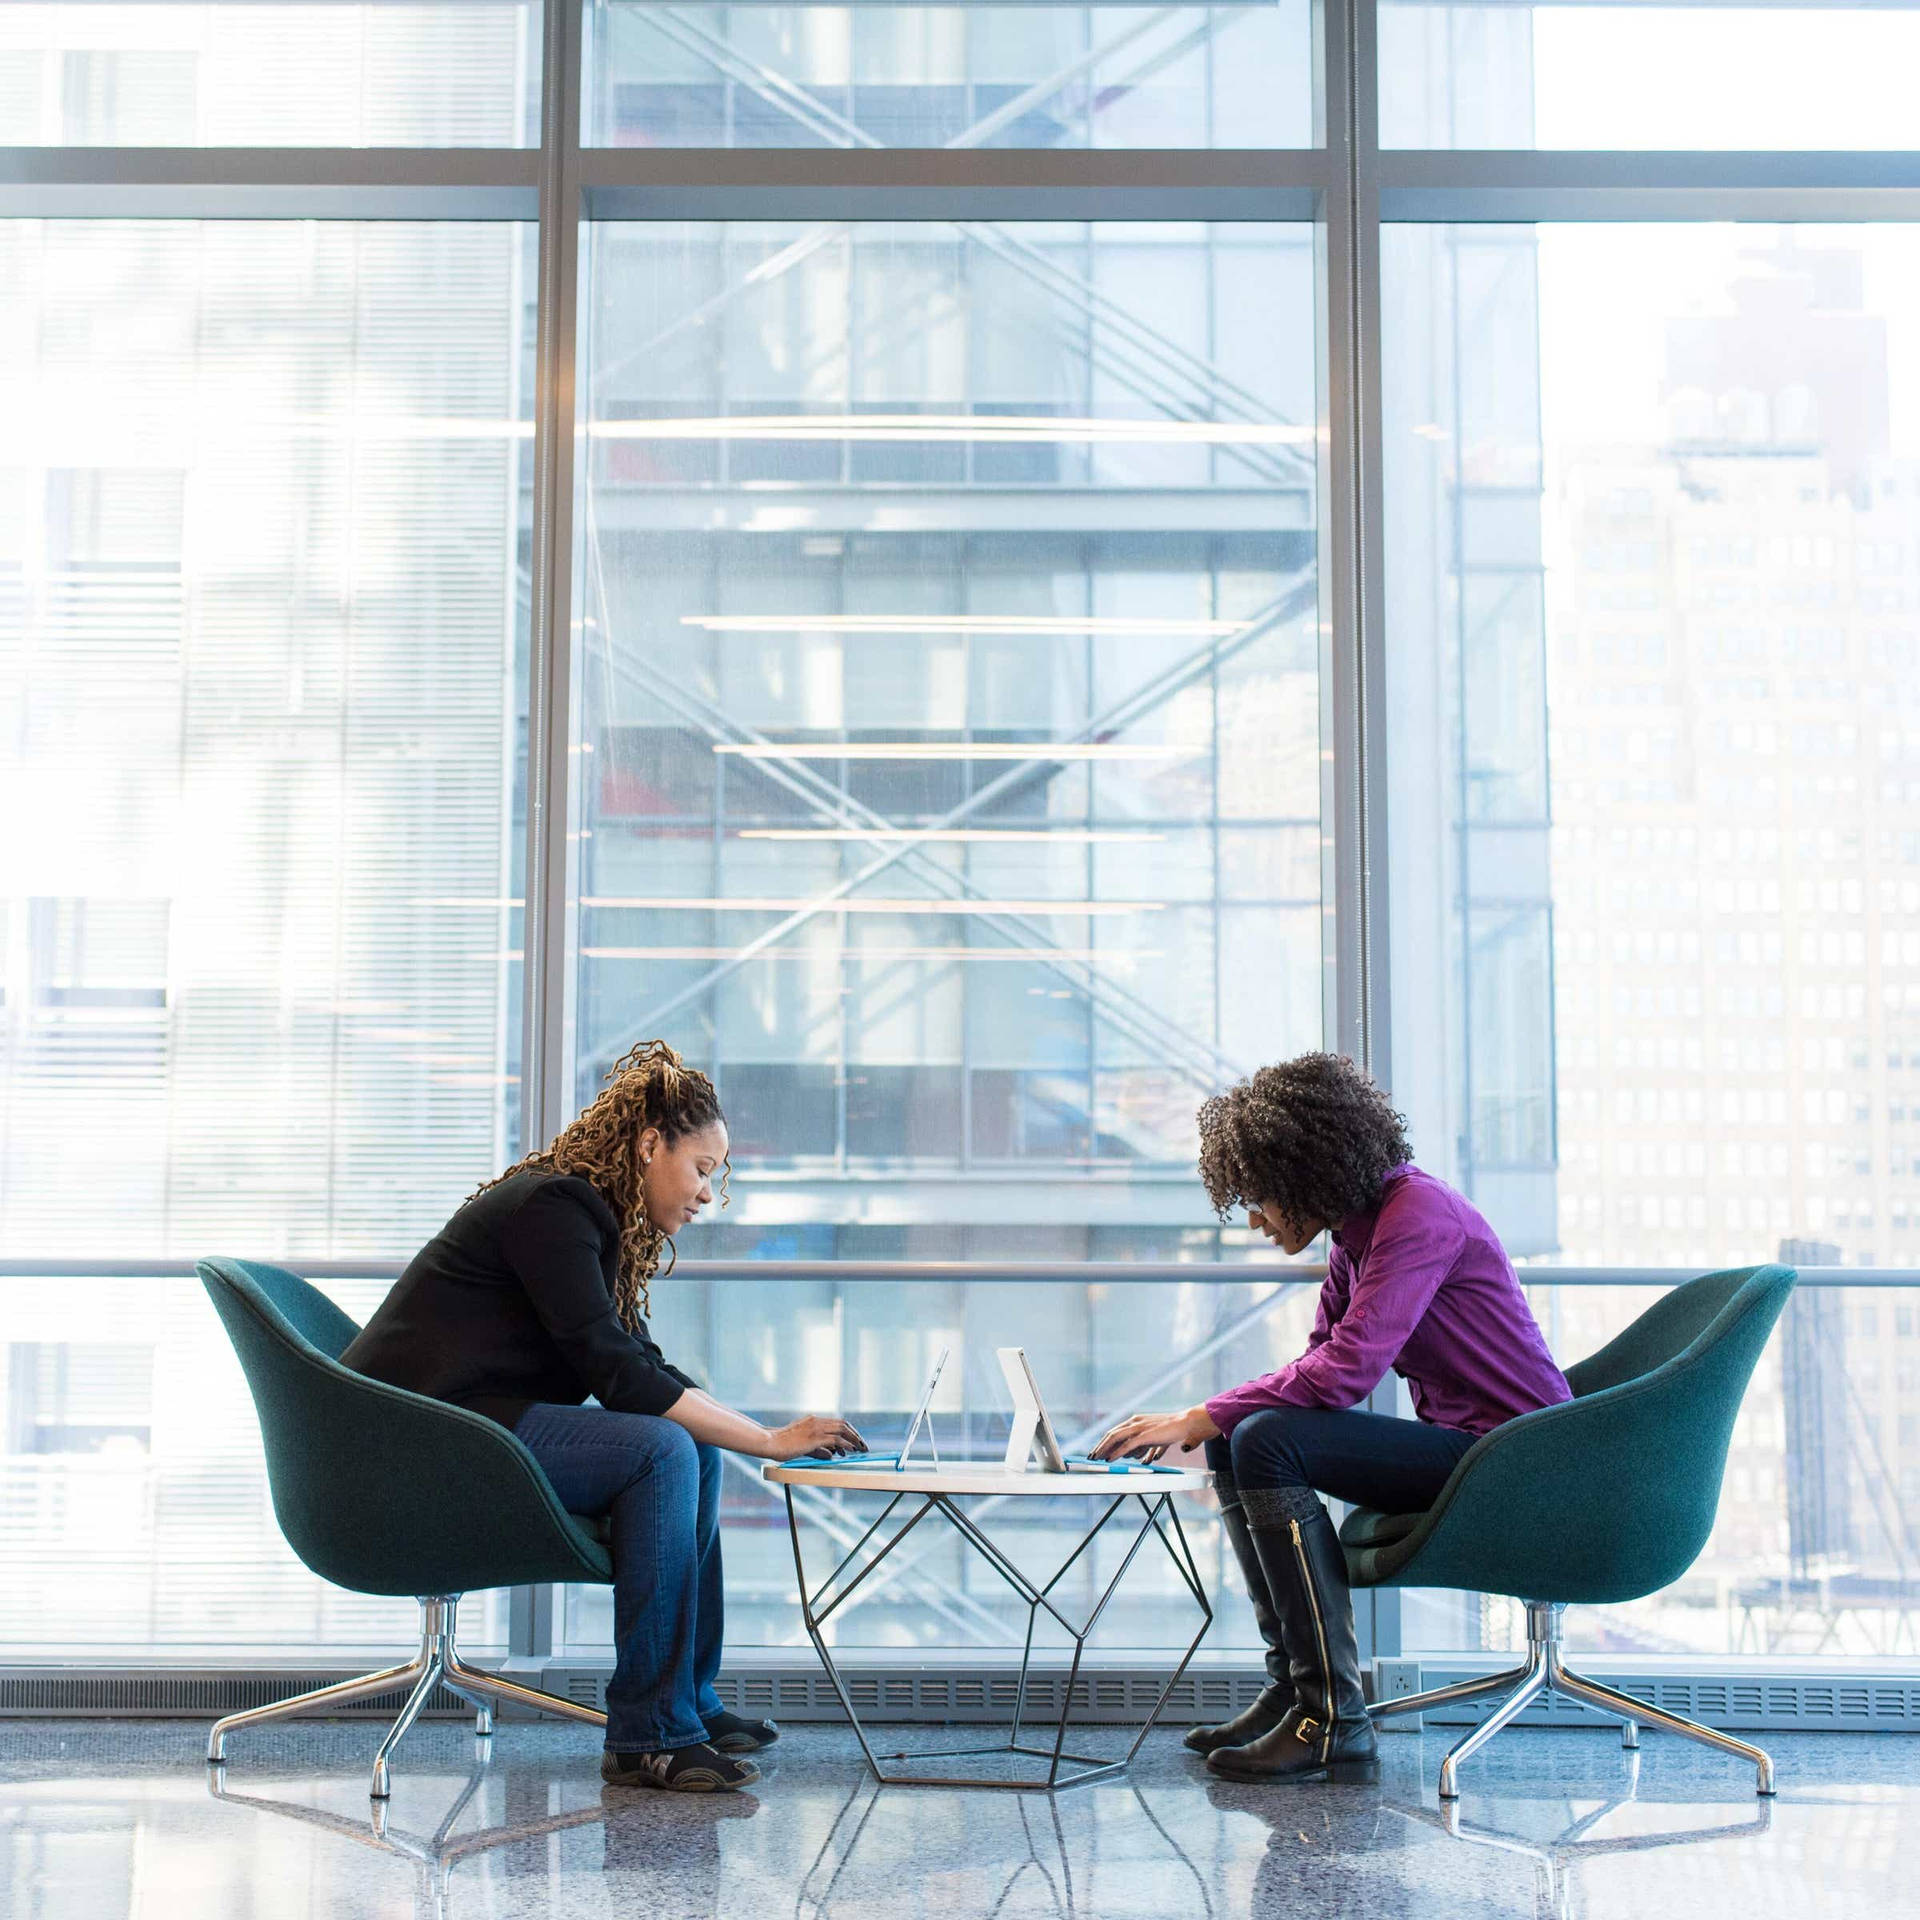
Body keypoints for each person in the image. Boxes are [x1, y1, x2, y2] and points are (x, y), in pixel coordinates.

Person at [343, 1039, 864, 1794]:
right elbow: (617, 1378)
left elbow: (642, 1367)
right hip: (416, 1438)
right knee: (661, 1450)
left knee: (689, 1445)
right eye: (703, 1170)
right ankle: (649, 1736)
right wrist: (765, 1442)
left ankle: (687, 1703)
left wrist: (759, 1434)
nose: (708, 1195)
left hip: (471, 1424)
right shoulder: (555, 1207)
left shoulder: (588, 1218)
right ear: (651, 1144)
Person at [1093, 1052, 1570, 1785]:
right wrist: (1208, 1422)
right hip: (1473, 1449)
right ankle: (1295, 1692)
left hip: (1519, 1458)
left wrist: (1199, 1413)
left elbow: (1346, 1373)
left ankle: (1332, 1718)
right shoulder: (1359, 1234)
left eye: (1259, 1198)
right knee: (1242, 1438)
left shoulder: (1418, 1216)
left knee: (1262, 1434)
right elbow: (1319, 1359)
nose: (1253, 1219)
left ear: (1305, 1175)